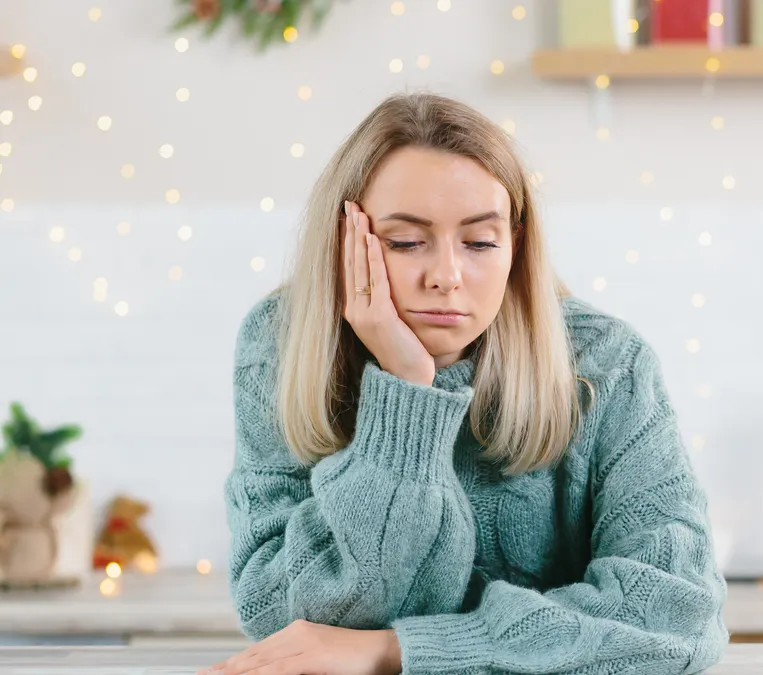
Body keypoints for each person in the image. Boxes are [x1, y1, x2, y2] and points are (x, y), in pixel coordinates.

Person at [202, 93, 729, 675]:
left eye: (479, 243)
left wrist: (401, 650)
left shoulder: (607, 362)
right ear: (346, 242)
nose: (446, 277)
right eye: (405, 242)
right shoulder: (281, 344)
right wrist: (406, 393)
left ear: (515, 246)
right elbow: (279, 610)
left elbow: (680, 612)